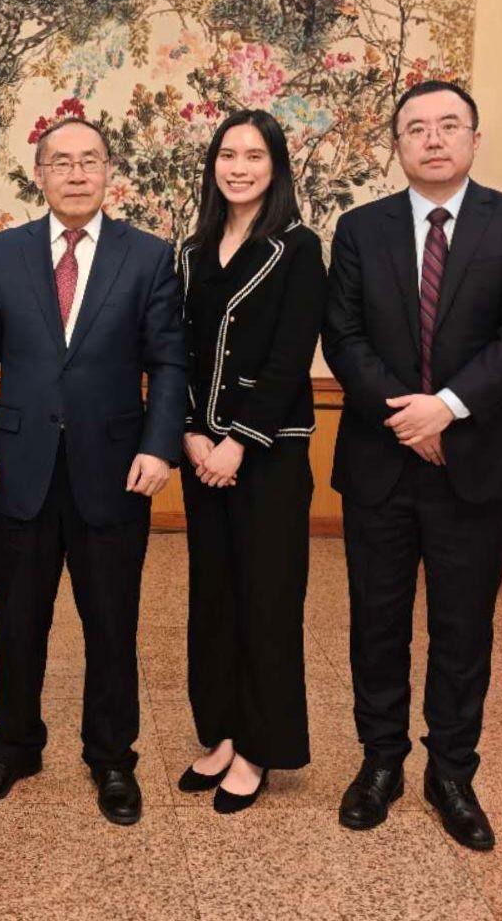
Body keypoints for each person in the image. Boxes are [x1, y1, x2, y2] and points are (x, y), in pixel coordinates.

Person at [322, 79, 502, 852]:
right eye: (416, 128)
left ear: (474, 140)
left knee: (463, 626)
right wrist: (407, 415)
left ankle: (452, 771)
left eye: (449, 125)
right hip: (380, 460)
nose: (433, 138)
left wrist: (446, 407)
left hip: (473, 461)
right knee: (376, 622)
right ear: (398, 144)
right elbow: (342, 337)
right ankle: (380, 762)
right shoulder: (360, 229)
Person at [0, 115, 186, 826]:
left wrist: (159, 445)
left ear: (109, 171)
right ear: (41, 175)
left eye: (90, 161)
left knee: (111, 623)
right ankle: (14, 745)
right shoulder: (2, 251)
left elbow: (168, 360)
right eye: (62, 162)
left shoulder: (148, 256)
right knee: (18, 621)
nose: (77, 174)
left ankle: (112, 757)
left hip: (115, 470)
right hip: (17, 466)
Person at [176, 110, 327, 814]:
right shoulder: (192, 248)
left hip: (266, 456)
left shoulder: (298, 249)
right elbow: (174, 349)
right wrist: (191, 434)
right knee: (213, 602)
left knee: (266, 603)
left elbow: (290, 356)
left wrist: (237, 438)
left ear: (276, 166)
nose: (238, 167)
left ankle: (261, 747)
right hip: (202, 456)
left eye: (254, 156)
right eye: (227, 154)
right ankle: (222, 732)